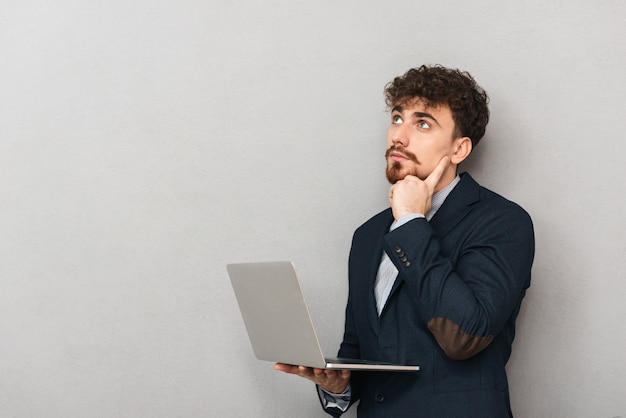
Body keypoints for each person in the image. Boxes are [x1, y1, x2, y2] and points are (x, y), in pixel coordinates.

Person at [275, 64, 535, 417]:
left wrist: (412, 221)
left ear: (459, 149)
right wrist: (339, 385)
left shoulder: (503, 222)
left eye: (423, 123)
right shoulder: (368, 235)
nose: (400, 135)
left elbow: (466, 335)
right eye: (397, 118)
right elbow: (360, 347)